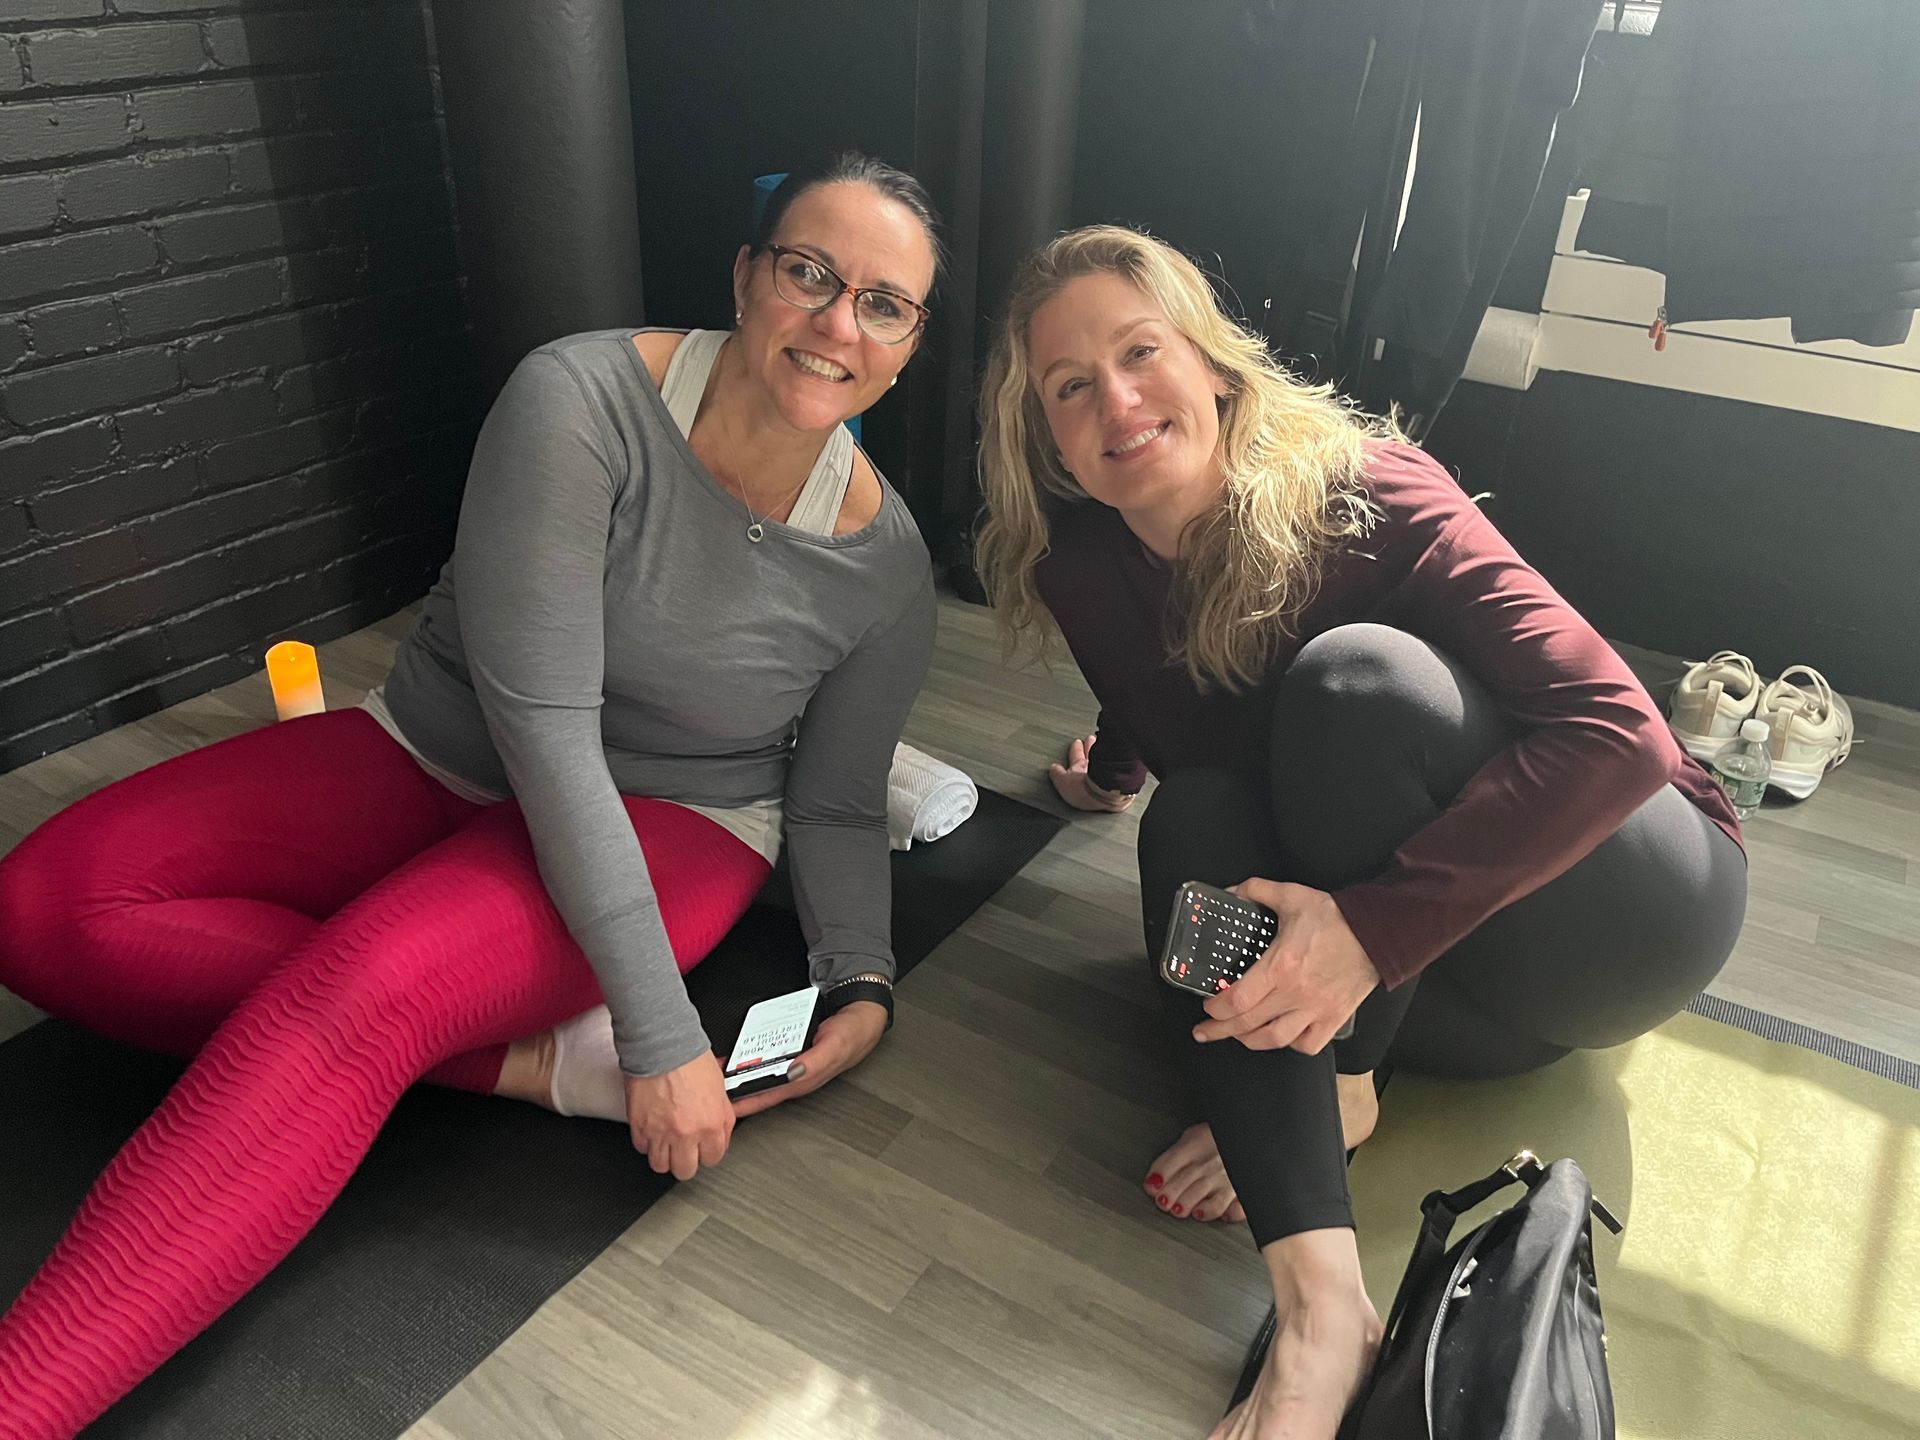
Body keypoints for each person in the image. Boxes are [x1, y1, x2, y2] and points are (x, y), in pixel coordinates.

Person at [0, 151, 941, 1439]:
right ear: (747, 276)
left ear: (907, 343)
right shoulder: (579, 395)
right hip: (447, 749)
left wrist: (866, 979)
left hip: (675, 819)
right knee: (48, 903)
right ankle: (533, 1062)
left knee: (363, 994)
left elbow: (831, 803)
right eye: (809, 273)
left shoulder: (885, 564)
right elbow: (543, 721)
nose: (839, 322)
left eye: (883, 304)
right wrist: (661, 1044)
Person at [974, 225, 1746, 1440]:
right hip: (1458, 1006)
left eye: (1140, 351)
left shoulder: (1366, 491)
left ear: (1214, 365)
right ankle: (1326, 1315)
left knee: (1356, 687)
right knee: (1198, 815)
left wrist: (1366, 936)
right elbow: (1151, 699)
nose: (1115, 399)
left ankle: (1332, 1078)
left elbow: (1622, 735)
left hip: (1619, 913)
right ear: (1048, 437)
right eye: (1071, 386)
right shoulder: (1085, 573)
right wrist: (1107, 776)